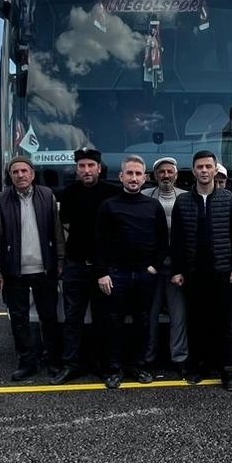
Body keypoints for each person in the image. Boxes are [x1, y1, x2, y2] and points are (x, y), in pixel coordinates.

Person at [170, 150, 232, 390]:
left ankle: (227, 372)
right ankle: (197, 367)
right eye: (200, 167)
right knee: (196, 322)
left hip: (222, 272)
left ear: (215, 170)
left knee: (223, 324)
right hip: (193, 274)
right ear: (193, 171)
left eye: (208, 166)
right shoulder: (183, 201)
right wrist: (177, 270)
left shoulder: (228, 199)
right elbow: (177, 240)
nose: (204, 171)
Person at [94, 156, 168, 388]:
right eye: (129, 173)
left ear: (144, 178)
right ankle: (114, 370)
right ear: (121, 176)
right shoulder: (108, 206)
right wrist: (102, 273)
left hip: (145, 275)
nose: (133, 178)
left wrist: (154, 267)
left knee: (142, 323)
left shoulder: (153, 206)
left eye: (138, 174)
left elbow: (163, 241)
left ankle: (139, 366)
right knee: (113, 324)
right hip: (116, 275)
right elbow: (99, 242)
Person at [0, 157, 65, 382]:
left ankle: (53, 361)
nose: (20, 175)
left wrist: (60, 260)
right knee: (19, 320)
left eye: (24, 171)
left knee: (49, 318)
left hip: (45, 270)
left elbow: (57, 232)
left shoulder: (47, 196)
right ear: (10, 176)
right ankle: (27, 362)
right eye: (15, 172)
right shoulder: (1, 200)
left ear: (32, 174)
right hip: (14, 272)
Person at [56, 147, 118, 384]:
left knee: (103, 319)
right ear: (77, 169)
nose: (86, 170)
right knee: (73, 319)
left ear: (99, 168)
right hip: (76, 266)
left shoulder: (112, 193)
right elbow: (66, 225)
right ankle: (71, 365)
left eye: (91, 165)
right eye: (82, 166)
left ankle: (103, 366)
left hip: (103, 269)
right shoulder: (68, 193)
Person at [143, 157, 188, 376]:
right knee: (149, 316)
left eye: (170, 172)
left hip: (176, 269)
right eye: (161, 172)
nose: (166, 175)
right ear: (154, 176)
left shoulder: (186, 198)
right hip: (152, 268)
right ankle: (148, 358)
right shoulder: (145, 197)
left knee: (178, 317)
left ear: (176, 175)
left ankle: (179, 358)